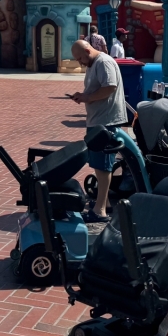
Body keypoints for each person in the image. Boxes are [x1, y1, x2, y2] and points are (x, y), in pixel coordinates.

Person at [69, 40, 126, 223]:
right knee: (98, 164)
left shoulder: (103, 62)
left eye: (80, 58)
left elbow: (110, 87)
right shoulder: (94, 63)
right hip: (97, 120)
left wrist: (87, 97)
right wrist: (84, 97)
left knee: (102, 165)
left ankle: (100, 210)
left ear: (87, 50)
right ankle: (105, 201)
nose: (80, 62)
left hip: (106, 121)